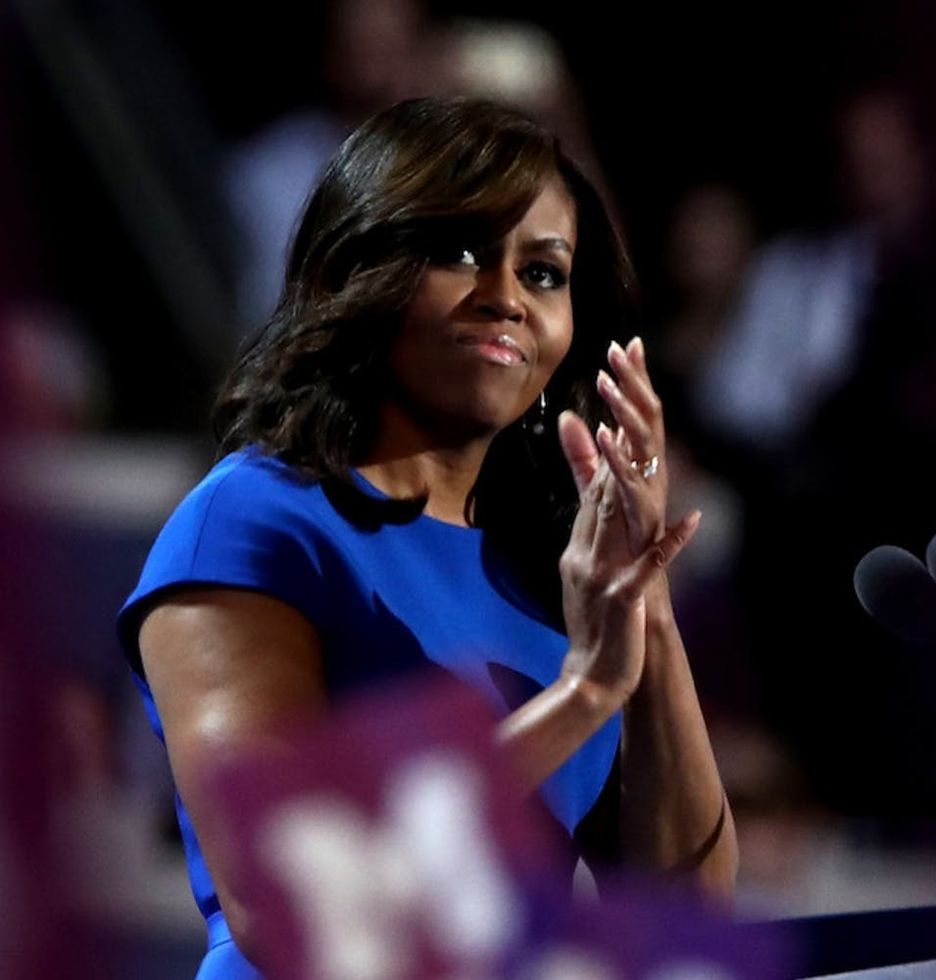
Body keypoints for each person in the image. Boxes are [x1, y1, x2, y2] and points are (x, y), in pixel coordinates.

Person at [118, 96, 737, 978]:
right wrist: (582, 692)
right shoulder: (253, 525)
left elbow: (689, 907)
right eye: (457, 253)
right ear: (358, 268)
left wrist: (647, 600)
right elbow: (286, 896)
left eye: (545, 272)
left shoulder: (552, 567)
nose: (507, 299)